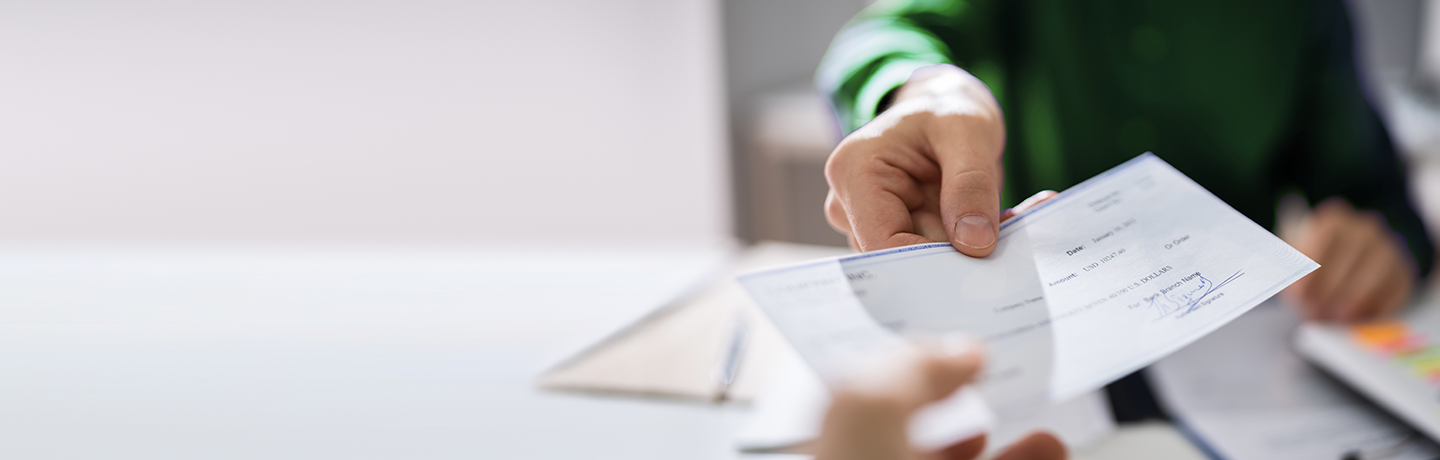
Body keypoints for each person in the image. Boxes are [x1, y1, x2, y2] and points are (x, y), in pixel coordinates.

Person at [809, 0, 1437, 452]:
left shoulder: (1304, 13)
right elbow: (883, 36)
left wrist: (1381, 247)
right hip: (1033, 361)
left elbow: (1382, 200)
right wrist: (924, 92)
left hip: (1244, 375)